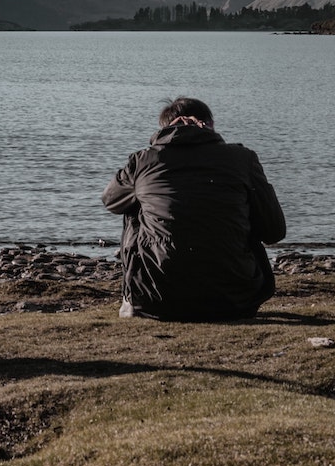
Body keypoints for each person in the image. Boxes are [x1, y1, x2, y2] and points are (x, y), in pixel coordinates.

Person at [102, 97, 285, 321]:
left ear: (165, 127)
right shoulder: (242, 159)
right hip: (236, 300)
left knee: (134, 206)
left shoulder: (143, 161)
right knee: (245, 206)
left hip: (157, 299)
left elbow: (110, 201)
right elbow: (274, 231)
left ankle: (132, 300)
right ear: (210, 124)